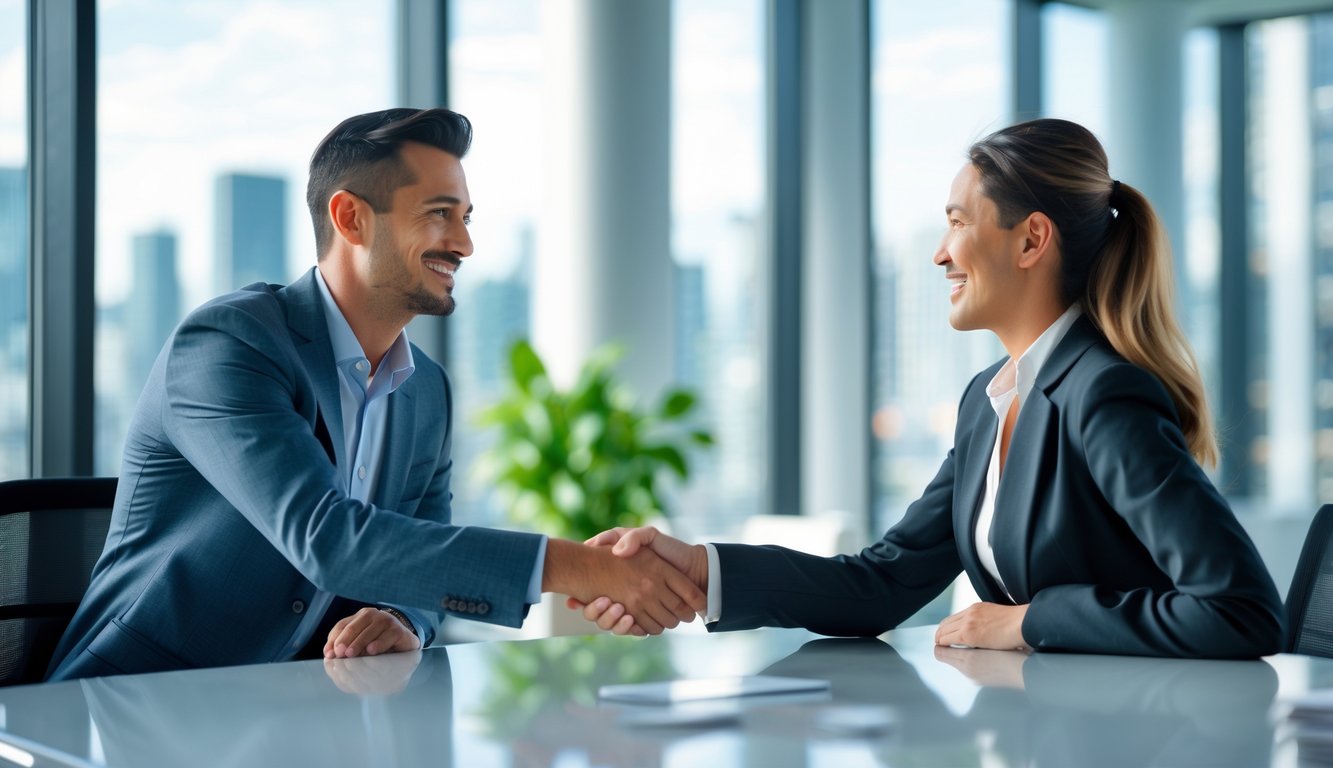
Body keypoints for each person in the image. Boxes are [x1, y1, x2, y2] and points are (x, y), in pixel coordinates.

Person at [576, 118, 1285, 658]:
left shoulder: (1102, 394)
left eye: (955, 223)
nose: (938, 252)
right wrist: (701, 568)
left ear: (1030, 241)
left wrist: (1028, 621)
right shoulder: (988, 401)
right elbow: (883, 582)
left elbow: (1241, 610)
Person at [46, 107, 704, 682]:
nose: (465, 243)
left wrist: (403, 618)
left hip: (291, 715)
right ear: (351, 218)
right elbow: (327, 537)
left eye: (467, 217)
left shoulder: (429, 393)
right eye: (440, 215)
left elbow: (423, 547)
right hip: (126, 707)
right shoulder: (229, 345)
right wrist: (581, 569)